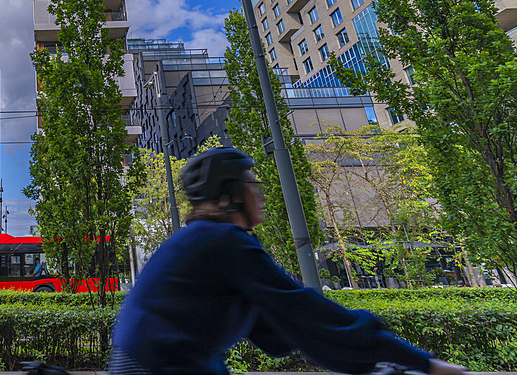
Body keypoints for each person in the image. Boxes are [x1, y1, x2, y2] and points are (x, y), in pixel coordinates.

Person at [110, 147, 468, 375]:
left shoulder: (204, 241)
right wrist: (426, 364)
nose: (261, 194)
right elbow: (309, 312)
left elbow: (283, 334)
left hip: (156, 363)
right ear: (231, 194)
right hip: (158, 367)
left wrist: (367, 359)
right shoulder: (222, 241)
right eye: (253, 184)